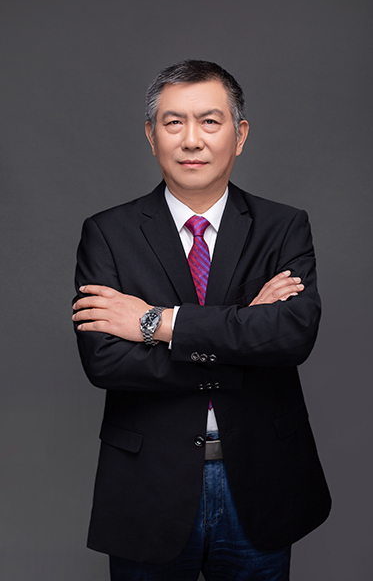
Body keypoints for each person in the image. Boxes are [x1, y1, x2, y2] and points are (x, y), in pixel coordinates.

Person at [72, 60, 331, 580]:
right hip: (149, 484)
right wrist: (243, 332)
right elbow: (105, 362)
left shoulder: (283, 227)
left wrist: (155, 323)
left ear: (240, 135)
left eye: (210, 121)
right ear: (152, 136)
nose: (192, 140)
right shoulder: (108, 233)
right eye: (174, 123)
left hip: (261, 479)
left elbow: (291, 337)